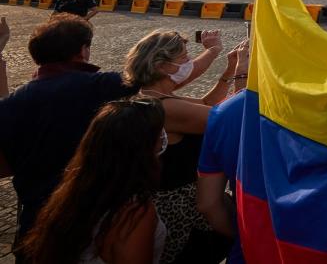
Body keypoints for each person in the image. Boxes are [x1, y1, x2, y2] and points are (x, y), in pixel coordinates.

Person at [0, 14, 138, 254]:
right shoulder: (98, 86)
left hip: (35, 221)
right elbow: (151, 76)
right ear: (82, 51)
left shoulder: (14, 102)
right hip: (91, 216)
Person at [124, 30, 240, 263]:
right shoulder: (165, 109)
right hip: (184, 213)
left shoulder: (149, 97)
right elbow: (228, 120)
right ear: (162, 66)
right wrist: (245, 73)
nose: (189, 63)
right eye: (184, 58)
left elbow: (207, 104)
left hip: (174, 202)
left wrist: (229, 71)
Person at [19, 99, 168, 264]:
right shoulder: (134, 213)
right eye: (159, 134)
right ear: (142, 149)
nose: (163, 137)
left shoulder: (75, 189)